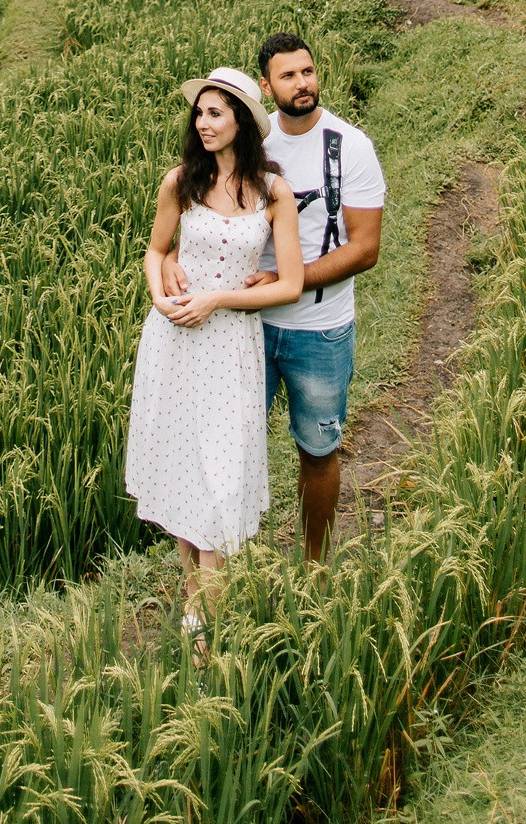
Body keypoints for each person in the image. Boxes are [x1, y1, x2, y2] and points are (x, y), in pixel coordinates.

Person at [163, 32, 385, 560]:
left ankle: (315, 565)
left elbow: (367, 248)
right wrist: (174, 258)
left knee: (318, 448)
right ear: (266, 87)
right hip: (244, 328)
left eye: (307, 71)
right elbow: (203, 216)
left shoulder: (350, 146)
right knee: (228, 450)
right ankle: (234, 565)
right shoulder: (252, 145)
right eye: (287, 76)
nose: (302, 83)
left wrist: (291, 280)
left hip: (320, 326)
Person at [125, 66, 304, 637]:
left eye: (215, 113)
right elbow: (155, 252)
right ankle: (196, 614)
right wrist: (159, 294)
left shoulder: (273, 192)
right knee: (184, 477)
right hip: (175, 342)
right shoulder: (180, 182)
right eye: (199, 113)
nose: (203, 124)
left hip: (230, 346)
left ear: (243, 122)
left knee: (223, 486)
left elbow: (289, 284)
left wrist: (219, 300)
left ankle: (204, 642)